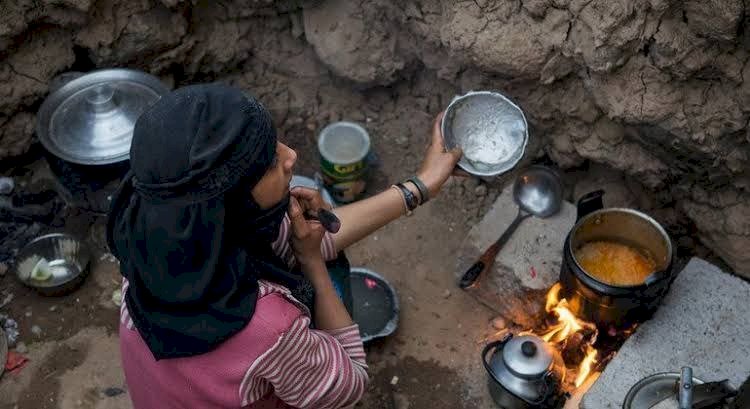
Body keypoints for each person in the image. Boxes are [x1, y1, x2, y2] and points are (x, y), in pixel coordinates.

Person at [107, 83, 462, 409]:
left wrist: (421, 186)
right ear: (229, 202)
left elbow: (308, 237)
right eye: (270, 163)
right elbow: (350, 382)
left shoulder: (151, 240)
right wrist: (313, 265)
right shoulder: (268, 328)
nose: (290, 155)